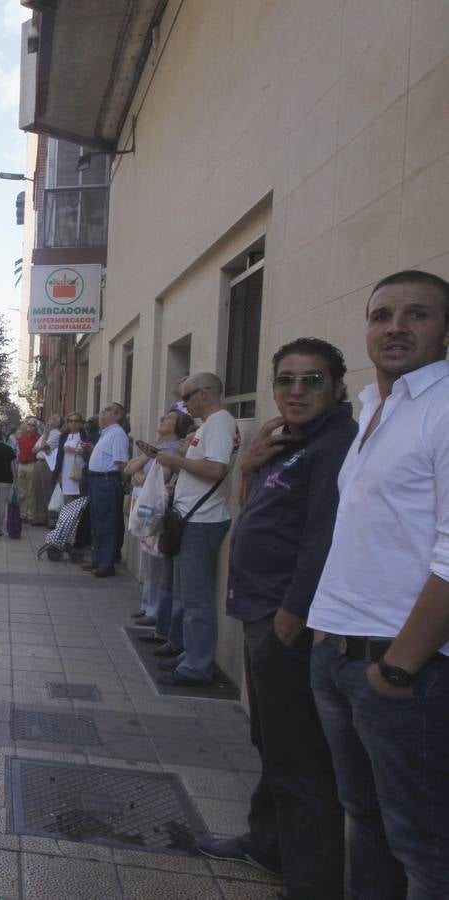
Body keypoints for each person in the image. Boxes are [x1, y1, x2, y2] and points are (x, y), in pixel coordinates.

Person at [189, 338, 355, 894]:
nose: (297, 390)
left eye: (312, 380)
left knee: (301, 759)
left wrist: (292, 615)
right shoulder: (290, 443)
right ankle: (268, 842)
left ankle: (310, 880)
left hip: (285, 620)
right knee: (272, 742)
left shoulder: (336, 443)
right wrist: (249, 472)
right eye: (286, 380)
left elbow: (322, 537)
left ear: (337, 385)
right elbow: (260, 517)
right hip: (260, 612)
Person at [306, 270, 449, 898]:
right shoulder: (374, 409)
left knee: (424, 848)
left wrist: (398, 668)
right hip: (337, 654)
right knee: (363, 821)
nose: (395, 327)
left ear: (445, 329)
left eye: (416, 314)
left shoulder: (443, 410)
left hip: (405, 672)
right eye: (381, 314)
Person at [153, 372, 236, 687]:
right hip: (190, 518)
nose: (183, 405)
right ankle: (191, 654)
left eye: (186, 397)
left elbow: (216, 468)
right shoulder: (208, 426)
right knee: (188, 595)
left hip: (202, 522)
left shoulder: (220, 423)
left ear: (205, 394)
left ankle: (197, 665)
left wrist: (178, 461)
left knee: (197, 599)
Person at [128, 408, 192, 628]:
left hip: (156, 506)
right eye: (164, 416)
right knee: (147, 554)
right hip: (143, 504)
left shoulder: (173, 449)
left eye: (170, 418)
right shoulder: (156, 447)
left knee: (156, 558)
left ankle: (155, 609)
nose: (163, 418)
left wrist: (140, 476)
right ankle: (147, 604)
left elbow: (153, 478)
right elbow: (130, 470)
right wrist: (142, 468)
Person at [84, 403, 130, 577]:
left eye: (108, 410)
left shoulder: (118, 434)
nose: (103, 412)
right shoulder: (106, 434)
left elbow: (121, 463)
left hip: (107, 481)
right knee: (97, 522)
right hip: (97, 481)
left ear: (117, 415)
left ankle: (106, 562)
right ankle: (98, 559)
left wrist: (125, 483)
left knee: (107, 522)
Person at [13, 418, 41, 525]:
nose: (30, 426)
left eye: (32, 425)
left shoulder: (38, 438)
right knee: (22, 492)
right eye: (28, 424)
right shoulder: (22, 437)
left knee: (31, 491)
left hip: (31, 464)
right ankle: (22, 513)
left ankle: (30, 514)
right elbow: (19, 449)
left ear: (36, 427)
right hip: (21, 464)